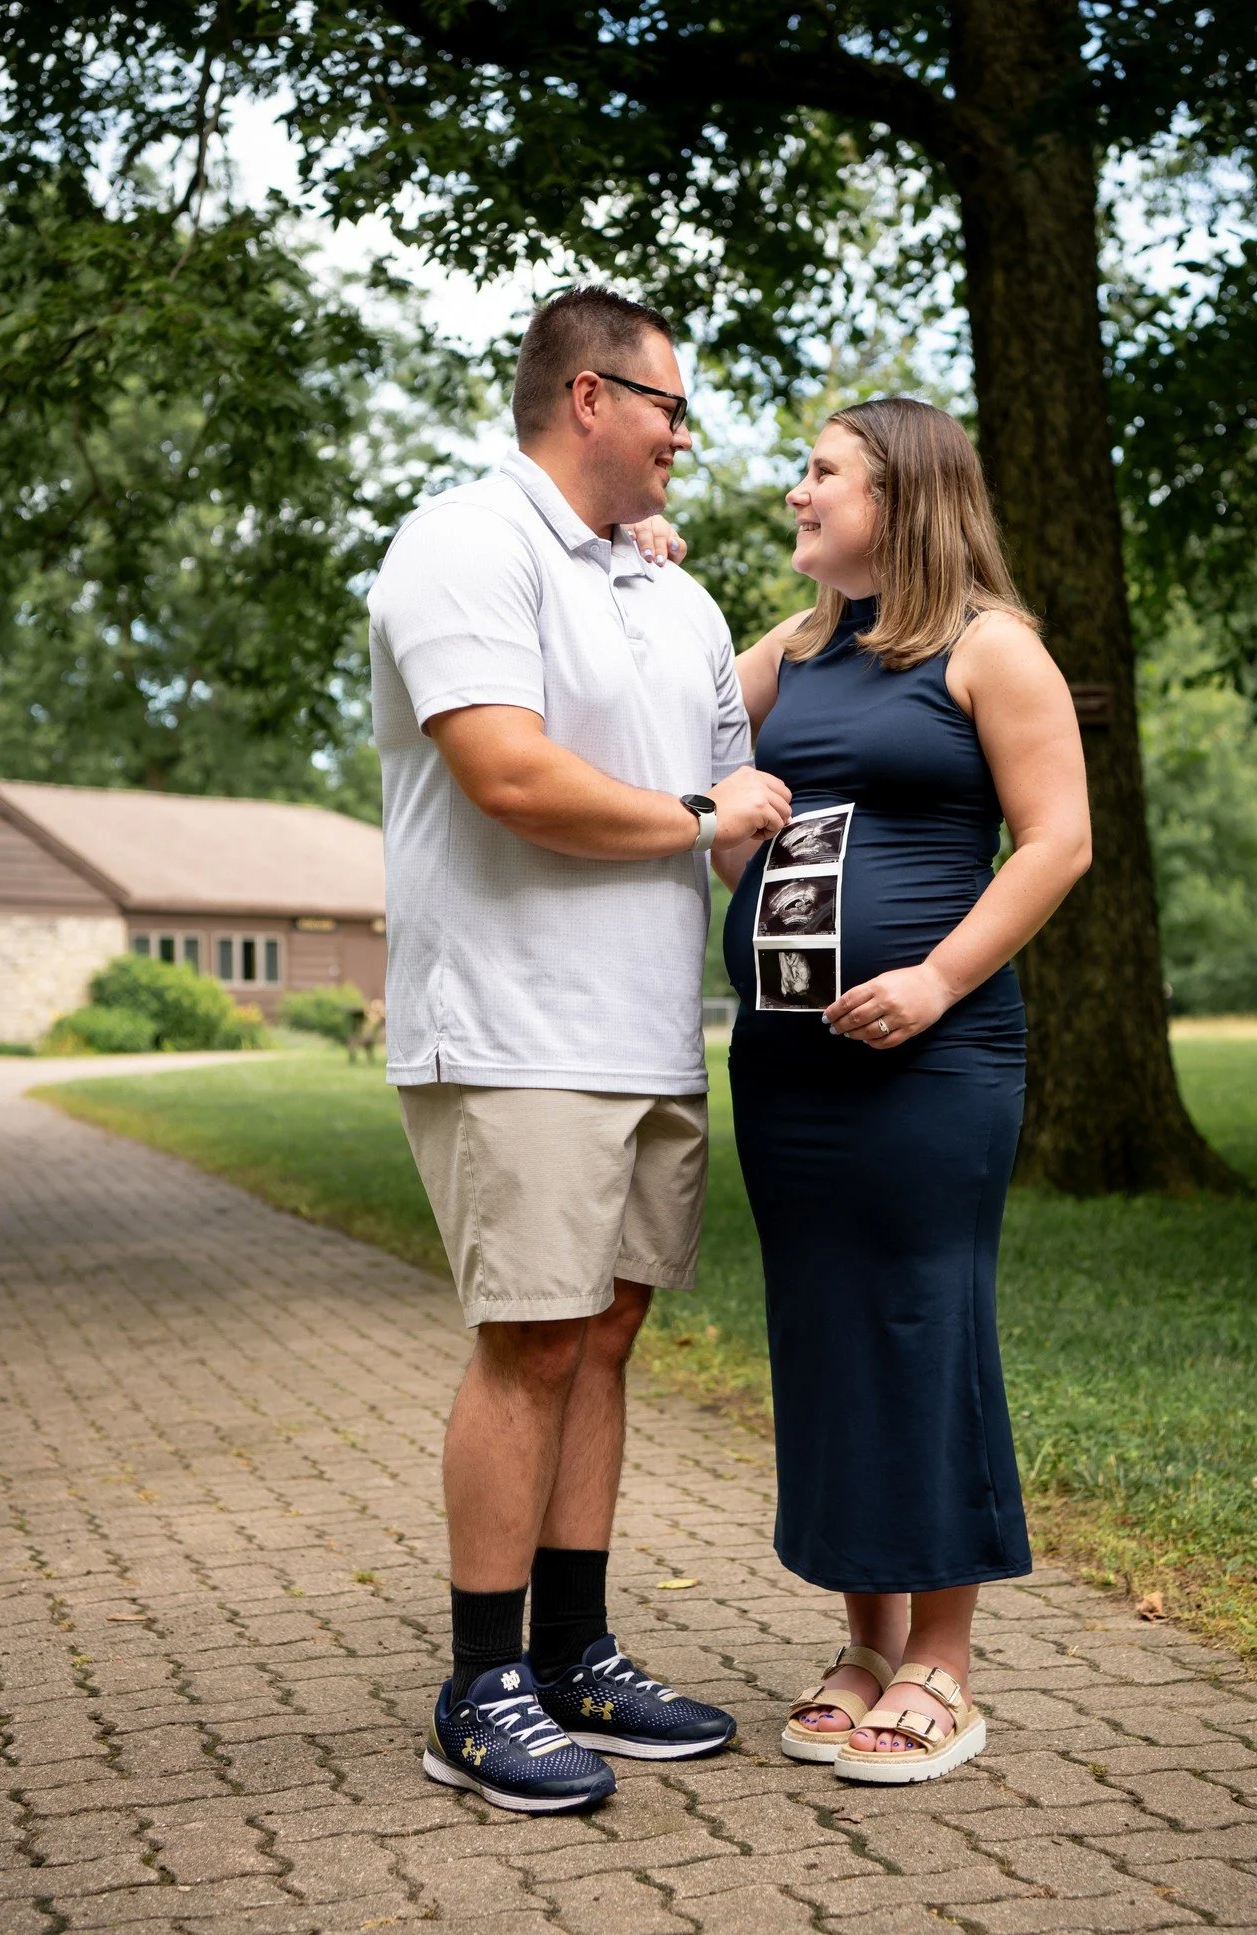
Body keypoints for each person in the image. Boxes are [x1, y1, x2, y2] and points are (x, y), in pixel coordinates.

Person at [368, 284, 793, 1813]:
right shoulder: (463, 544)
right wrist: (694, 819)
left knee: (605, 1337)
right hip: (513, 1023)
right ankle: (478, 1686)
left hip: (646, 1029)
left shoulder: (672, 596)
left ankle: (575, 1654)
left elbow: (747, 812)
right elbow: (509, 774)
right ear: (595, 399)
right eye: (675, 407)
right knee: (531, 1339)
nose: (689, 437)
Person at [716, 397, 1091, 1784]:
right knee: (821, 1331)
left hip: (935, 1055)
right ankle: (865, 1642)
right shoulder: (794, 656)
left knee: (922, 1318)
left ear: (903, 498)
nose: (798, 491)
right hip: (791, 1061)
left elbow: (1057, 843)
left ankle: (947, 1661)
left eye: (823, 473)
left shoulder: (993, 650)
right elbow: (683, 757)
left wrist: (933, 980)